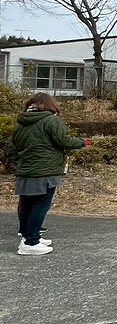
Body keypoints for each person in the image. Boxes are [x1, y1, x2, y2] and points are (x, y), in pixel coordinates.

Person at [10, 93, 89, 255]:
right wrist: (81, 142)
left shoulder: (21, 122)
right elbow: (63, 141)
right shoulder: (51, 120)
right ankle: (31, 242)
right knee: (40, 204)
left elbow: (15, 144)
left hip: (26, 168)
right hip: (45, 169)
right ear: (49, 105)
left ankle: (28, 237)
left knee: (26, 204)